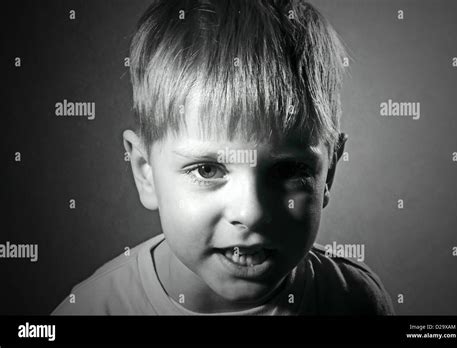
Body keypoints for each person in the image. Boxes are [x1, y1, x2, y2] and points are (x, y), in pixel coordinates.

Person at [52, 0, 394, 315]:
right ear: (146, 172)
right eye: (207, 169)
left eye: (289, 169)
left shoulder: (353, 300)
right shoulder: (93, 311)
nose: (251, 213)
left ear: (329, 172)